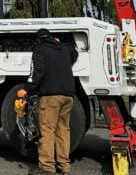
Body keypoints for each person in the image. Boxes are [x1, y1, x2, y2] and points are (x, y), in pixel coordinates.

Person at [24, 28, 79, 174]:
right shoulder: (64, 49)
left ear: (39, 39)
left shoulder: (40, 49)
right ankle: (64, 166)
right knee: (63, 130)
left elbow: (36, 72)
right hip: (68, 96)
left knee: (47, 130)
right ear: (52, 37)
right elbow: (75, 53)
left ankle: (47, 167)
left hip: (50, 97)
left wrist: (27, 88)